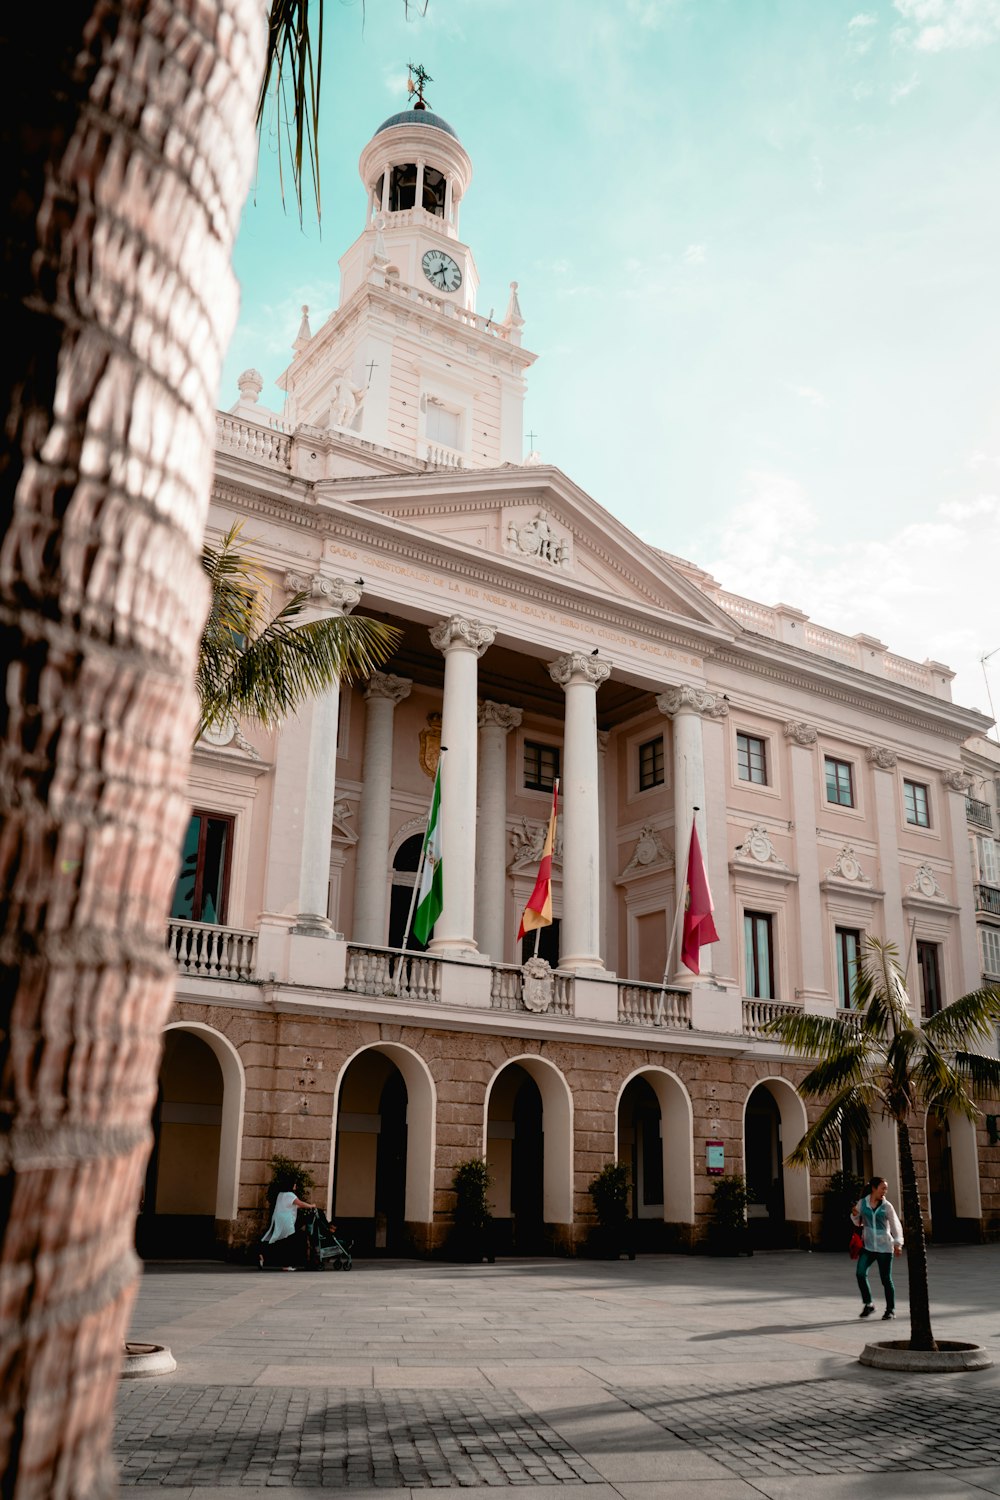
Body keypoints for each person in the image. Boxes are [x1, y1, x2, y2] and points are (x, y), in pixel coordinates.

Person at [851, 1175, 904, 1320]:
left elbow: (895, 1225)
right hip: (868, 1246)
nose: (885, 1191)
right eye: (882, 1188)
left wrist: (898, 1243)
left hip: (884, 1247)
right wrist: (854, 1215)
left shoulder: (887, 1206)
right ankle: (869, 1304)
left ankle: (890, 1310)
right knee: (860, 1273)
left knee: (886, 1279)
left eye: (886, 1189)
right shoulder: (863, 1203)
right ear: (874, 1188)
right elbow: (857, 1222)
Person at [259, 1180, 315, 1270]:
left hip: (278, 1219)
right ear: (291, 1185)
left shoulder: (281, 1194)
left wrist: (306, 1206)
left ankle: (262, 1254)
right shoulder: (290, 1195)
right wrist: (311, 1206)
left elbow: (293, 1205)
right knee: (288, 1242)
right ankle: (286, 1265)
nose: (295, 1185)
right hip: (286, 1221)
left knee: (277, 1239)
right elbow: (300, 1203)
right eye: (294, 1184)